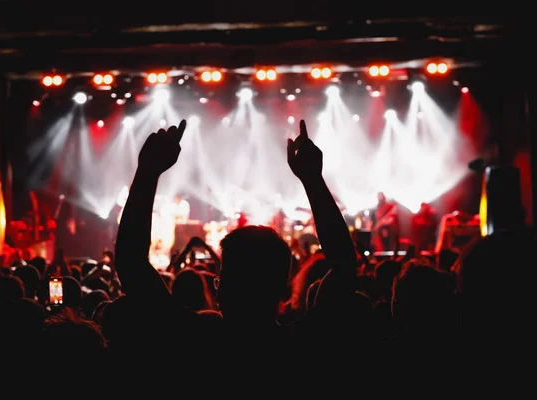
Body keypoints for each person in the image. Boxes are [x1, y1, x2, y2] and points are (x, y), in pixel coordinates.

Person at [113, 119, 362, 384]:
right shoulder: (305, 345)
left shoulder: (194, 342)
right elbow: (344, 265)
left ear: (221, 290)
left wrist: (147, 174)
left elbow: (131, 265)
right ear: (282, 288)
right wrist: (313, 180)